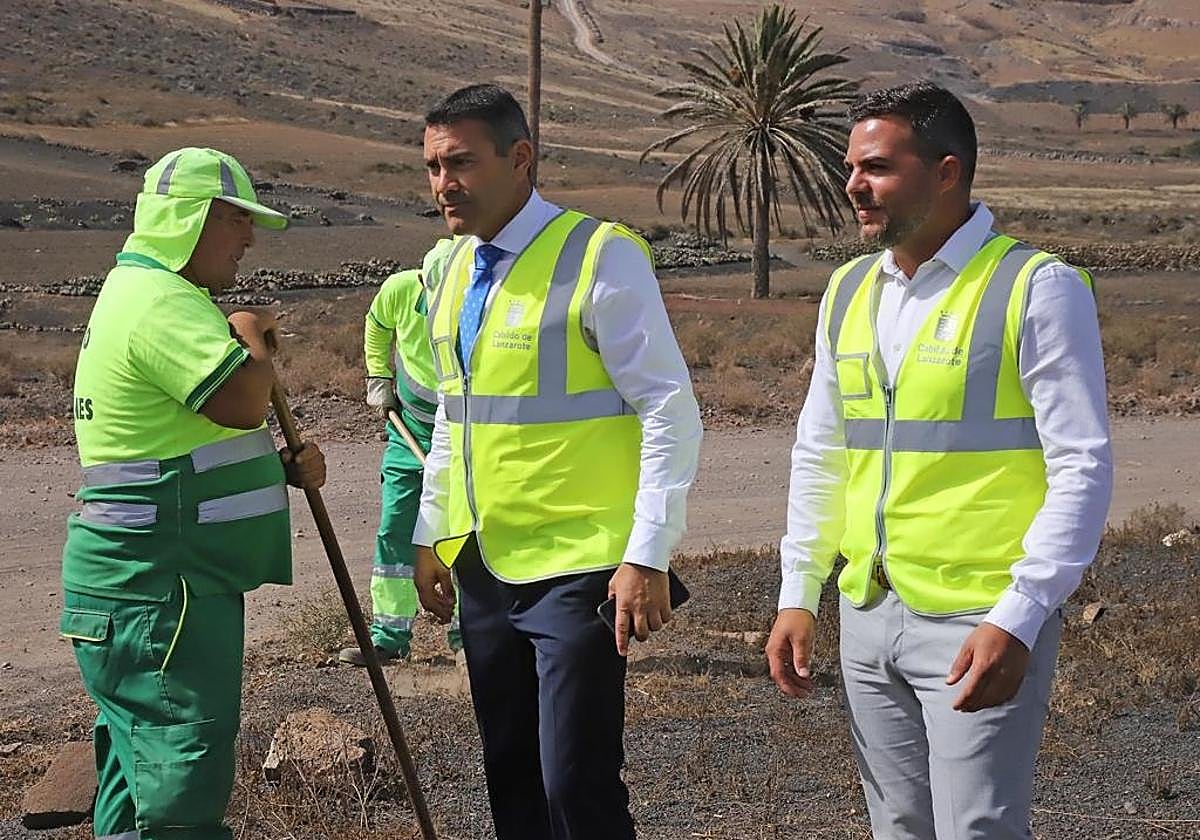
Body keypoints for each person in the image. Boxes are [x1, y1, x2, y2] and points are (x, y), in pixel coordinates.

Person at [765, 81, 1113, 840]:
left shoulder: (1036, 288)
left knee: (976, 829)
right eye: (851, 168)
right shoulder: (849, 290)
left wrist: (1019, 618)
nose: (853, 185)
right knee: (898, 829)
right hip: (867, 609)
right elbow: (822, 451)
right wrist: (800, 592)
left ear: (947, 172)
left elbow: (1082, 467)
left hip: (977, 618)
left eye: (878, 168)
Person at [412, 84, 702, 840]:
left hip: (581, 568)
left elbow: (669, 410)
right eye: (435, 166)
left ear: (520, 159)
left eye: (462, 163)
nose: (445, 183)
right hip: (484, 563)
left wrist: (647, 552)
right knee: (512, 780)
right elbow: (454, 413)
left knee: (573, 782)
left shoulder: (600, 256)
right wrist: (428, 530)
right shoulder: (447, 271)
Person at [60, 147, 326, 839]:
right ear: (192, 219)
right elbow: (240, 401)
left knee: (136, 779)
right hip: (161, 592)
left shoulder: (150, 294)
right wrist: (251, 342)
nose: (248, 238)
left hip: (156, 588)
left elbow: (185, 445)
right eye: (238, 219)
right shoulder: (159, 302)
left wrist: (277, 469)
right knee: (179, 782)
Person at [340, 238, 463, 665]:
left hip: (466, 437)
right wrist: (379, 377)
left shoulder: (481, 308)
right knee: (395, 526)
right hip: (408, 429)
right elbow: (377, 322)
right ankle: (388, 636)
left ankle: (469, 636)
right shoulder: (401, 290)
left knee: (465, 532)